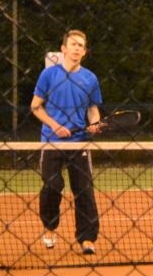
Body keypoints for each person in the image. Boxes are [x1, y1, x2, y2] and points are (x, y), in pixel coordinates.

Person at [30, 29, 104, 255]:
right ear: (63, 49)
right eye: (73, 44)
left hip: (79, 142)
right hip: (52, 141)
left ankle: (87, 238)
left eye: (81, 45)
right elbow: (35, 107)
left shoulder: (90, 79)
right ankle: (49, 227)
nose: (77, 48)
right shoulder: (49, 75)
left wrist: (94, 124)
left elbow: (93, 109)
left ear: (84, 51)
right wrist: (55, 126)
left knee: (84, 190)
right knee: (52, 186)